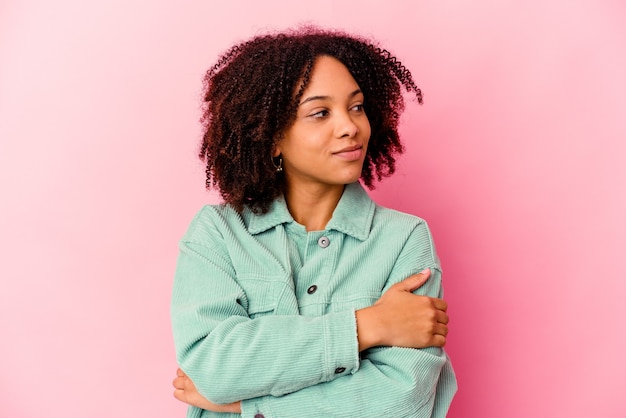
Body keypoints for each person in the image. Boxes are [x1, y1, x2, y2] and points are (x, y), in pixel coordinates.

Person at [171, 27, 457, 418]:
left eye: (356, 107)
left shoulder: (405, 240)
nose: (350, 126)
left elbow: (401, 401)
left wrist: (250, 406)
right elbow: (211, 369)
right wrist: (366, 326)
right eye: (320, 113)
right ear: (271, 136)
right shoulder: (218, 234)